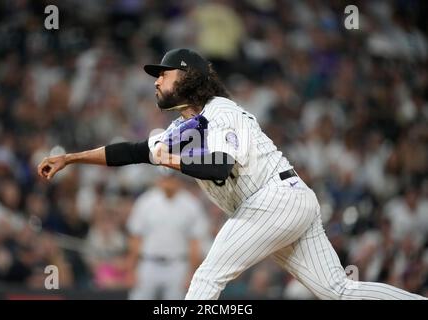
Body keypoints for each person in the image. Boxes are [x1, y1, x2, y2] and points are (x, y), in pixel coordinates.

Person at [38, 48, 426, 300]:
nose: (156, 80)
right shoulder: (182, 128)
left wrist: (173, 162)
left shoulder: (221, 112)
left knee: (206, 279)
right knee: (338, 290)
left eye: (165, 73)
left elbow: (221, 165)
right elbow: (133, 151)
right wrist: (72, 158)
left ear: (188, 77)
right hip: (284, 202)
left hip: (272, 200)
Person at [126, 170, 209, 299]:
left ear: (179, 180)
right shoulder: (146, 202)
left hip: (178, 265)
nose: (168, 182)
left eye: (172, 178)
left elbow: (195, 242)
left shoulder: (191, 205)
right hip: (148, 263)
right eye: (165, 178)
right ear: (159, 179)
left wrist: (192, 272)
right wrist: (132, 269)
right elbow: (136, 237)